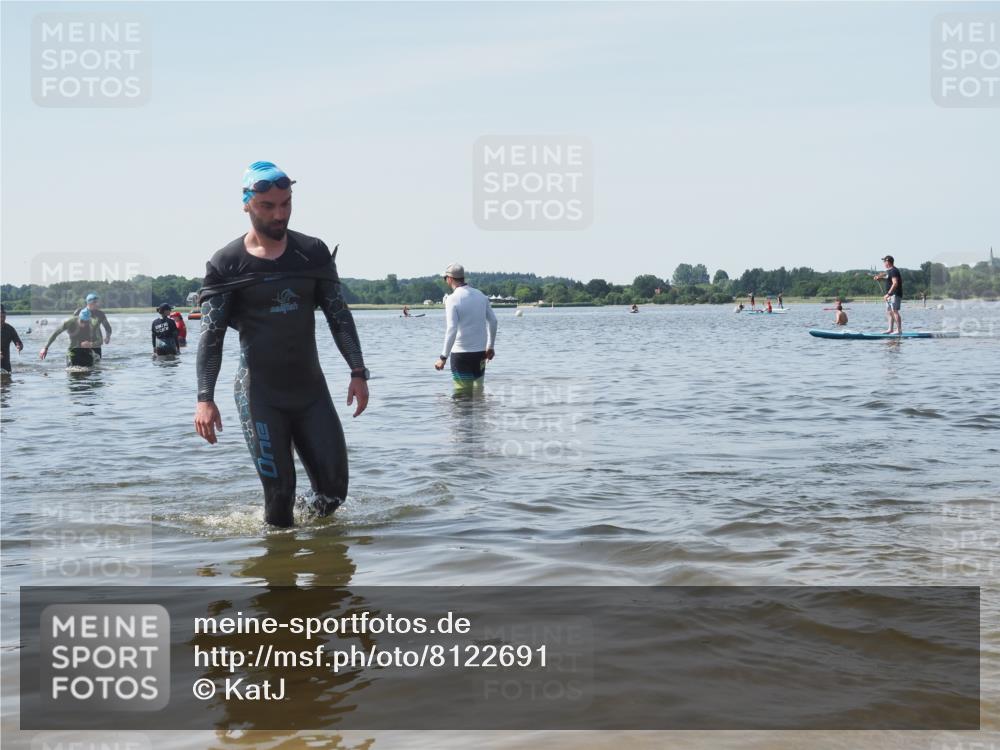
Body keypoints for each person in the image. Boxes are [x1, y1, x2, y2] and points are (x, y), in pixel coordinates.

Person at [193, 160, 369, 528]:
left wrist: (357, 371)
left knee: (334, 493)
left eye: (286, 203)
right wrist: (205, 398)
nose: (280, 214)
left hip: (311, 392)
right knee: (280, 495)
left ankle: (306, 548)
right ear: (247, 204)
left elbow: (338, 314)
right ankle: (279, 553)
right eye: (268, 206)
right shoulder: (227, 264)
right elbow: (211, 337)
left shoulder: (312, 253)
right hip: (260, 395)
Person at [434, 262, 497, 391]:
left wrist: (443, 357)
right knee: (478, 392)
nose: (445, 281)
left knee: (462, 394)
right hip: (480, 354)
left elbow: (452, 329)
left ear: (450, 278)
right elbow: (494, 321)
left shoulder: (452, 299)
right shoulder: (481, 296)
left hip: (461, 355)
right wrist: (490, 347)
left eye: (445, 278)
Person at [873, 254, 903, 334]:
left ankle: (899, 330)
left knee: (894, 311)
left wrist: (889, 294)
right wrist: (879, 278)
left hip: (895, 294)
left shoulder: (893, 270)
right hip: (890, 295)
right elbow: (888, 279)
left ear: (888, 262)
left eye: (884, 261)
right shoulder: (889, 271)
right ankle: (890, 329)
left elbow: (895, 283)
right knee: (889, 311)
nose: (883, 263)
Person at [1, 305, 24, 373]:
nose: (2, 319)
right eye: (0, 316)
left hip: (6, 364)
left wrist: (19, 346)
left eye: (3, 317)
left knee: (7, 378)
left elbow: (19, 342)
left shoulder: (10, 329)